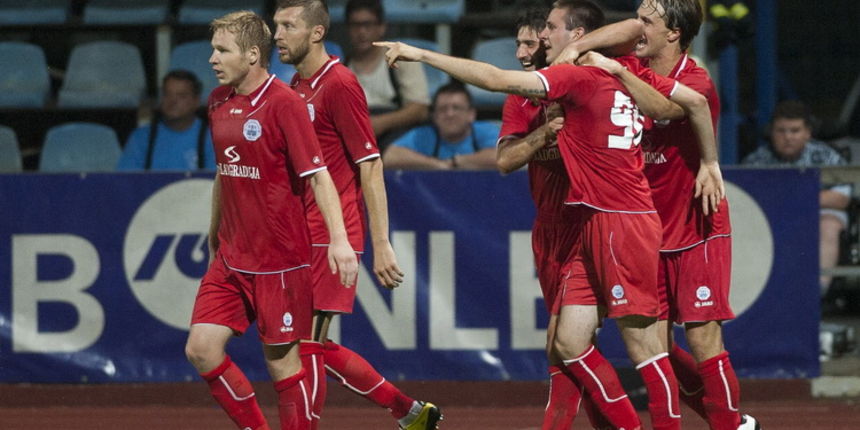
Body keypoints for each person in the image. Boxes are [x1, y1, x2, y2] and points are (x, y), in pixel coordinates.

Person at [375, 1, 724, 428]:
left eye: (549, 31)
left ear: (574, 37)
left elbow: (496, 77)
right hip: (589, 218)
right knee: (569, 344)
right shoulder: (624, 68)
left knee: (648, 348)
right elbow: (679, 99)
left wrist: (422, 54)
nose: (540, 40)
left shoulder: (581, 75)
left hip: (620, 219)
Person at [553, 1, 761, 429]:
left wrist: (709, 161)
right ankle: (730, 421)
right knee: (657, 345)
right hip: (647, 231)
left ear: (673, 34)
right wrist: (574, 49)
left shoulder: (696, 80)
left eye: (648, 22)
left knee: (703, 338)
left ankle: (729, 427)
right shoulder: (632, 58)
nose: (635, 28)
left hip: (695, 224)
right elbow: (626, 29)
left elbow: (662, 109)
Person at [183, 11, 358, 430]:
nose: (212, 58)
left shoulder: (285, 104)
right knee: (201, 349)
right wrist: (214, 231)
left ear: (252, 55)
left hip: (279, 262)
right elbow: (226, 170)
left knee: (283, 368)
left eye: (222, 50)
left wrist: (339, 240)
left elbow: (319, 177)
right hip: (231, 257)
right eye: (213, 49)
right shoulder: (217, 101)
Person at [271, 2, 441, 430]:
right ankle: (409, 412)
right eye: (275, 25)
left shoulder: (340, 83)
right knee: (304, 343)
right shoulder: (297, 83)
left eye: (288, 25)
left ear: (316, 33)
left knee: (305, 345)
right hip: (299, 231)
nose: (276, 34)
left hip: (332, 230)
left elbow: (370, 163)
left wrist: (380, 243)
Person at [496, 7, 613, 429]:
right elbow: (506, 160)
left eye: (533, 42)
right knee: (575, 349)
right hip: (546, 232)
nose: (524, 53)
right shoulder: (521, 99)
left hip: (589, 226)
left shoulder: (584, 85)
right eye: (520, 44)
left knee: (563, 345)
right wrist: (544, 132)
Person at [744, 100, 850, 299]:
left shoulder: (826, 156)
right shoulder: (757, 160)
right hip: (771, 218)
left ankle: (818, 291)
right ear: (771, 132)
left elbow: (841, 198)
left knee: (830, 223)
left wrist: (793, 198)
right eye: (781, 131)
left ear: (807, 132)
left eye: (795, 130)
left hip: (816, 215)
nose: (788, 137)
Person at [344, 0, 430, 148]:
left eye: (368, 24)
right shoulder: (340, 68)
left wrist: (380, 124)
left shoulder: (400, 59)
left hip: (396, 135)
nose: (362, 32)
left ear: (382, 27)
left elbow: (420, 109)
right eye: (355, 25)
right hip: (354, 137)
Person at [383, 82, 500, 170]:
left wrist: (456, 162)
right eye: (443, 109)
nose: (449, 114)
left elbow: (503, 157)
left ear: (471, 114)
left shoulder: (486, 130)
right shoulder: (424, 135)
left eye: (456, 108)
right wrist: (438, 165)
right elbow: (390, 156)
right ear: (434, 116)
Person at [117, 69, 215, 170]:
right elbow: (126, 181)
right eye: (167, 94)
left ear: (196, 101)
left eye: (181, 96)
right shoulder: (141, 138)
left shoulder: (214, 139)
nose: (172, 101)